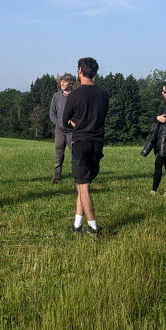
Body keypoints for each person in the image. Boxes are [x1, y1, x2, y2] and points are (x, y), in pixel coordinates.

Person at [63, 57, 110, 236]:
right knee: (83, 186)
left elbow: (64, 120)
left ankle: (93, 227)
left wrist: (73, 122)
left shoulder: (74, 95)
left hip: (80, 142)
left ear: (81, 71)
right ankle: (77, 225)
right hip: (97, 143)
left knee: (83, 187)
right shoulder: (104, 94)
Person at [48, 72, 76, 184]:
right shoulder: (56, 96)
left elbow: (79, 113)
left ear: (70, 84)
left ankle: (77, 179)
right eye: (61, 81)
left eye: (64, 81)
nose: (62, 83)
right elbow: (52, 113)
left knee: (75, 156)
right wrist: (58, 123)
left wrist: (74, 122)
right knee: (58, 157)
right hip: (59, 132)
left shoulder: (76, 96)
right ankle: (56, 179)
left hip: (72, 132)